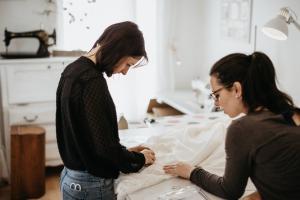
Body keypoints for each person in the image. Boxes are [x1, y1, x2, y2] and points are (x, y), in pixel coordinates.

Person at [163, 52, 300, 200]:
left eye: (216, 95)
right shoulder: (292, 114)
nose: (216, 103)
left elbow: (228, 190)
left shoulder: (242, 128)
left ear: (236, 89)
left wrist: (192, 172)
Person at [56, 21, 156, 199]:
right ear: (117, 52)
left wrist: (129, 153)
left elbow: (87, 138)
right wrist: (141, 159)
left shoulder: (72, 70)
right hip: (91, 184)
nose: (125, 72)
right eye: (127, 64)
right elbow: (105, 149)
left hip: (70, 177)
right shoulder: (92, 81)